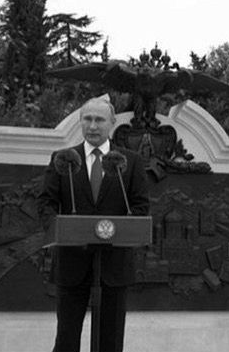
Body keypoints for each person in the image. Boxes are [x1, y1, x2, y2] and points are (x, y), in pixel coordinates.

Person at [38, 97, 150, 352]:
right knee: (66, 340)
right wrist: (57, 229)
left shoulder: (130, 161)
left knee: (110, 342)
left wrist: (122, 229)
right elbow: (46, 203)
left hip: (114, 265)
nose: (92, 125)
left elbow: (141, 206)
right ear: (80, 122)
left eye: (99, 120)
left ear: (112, 123)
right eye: (87, 119)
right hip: (71, 263)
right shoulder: (63, 159)